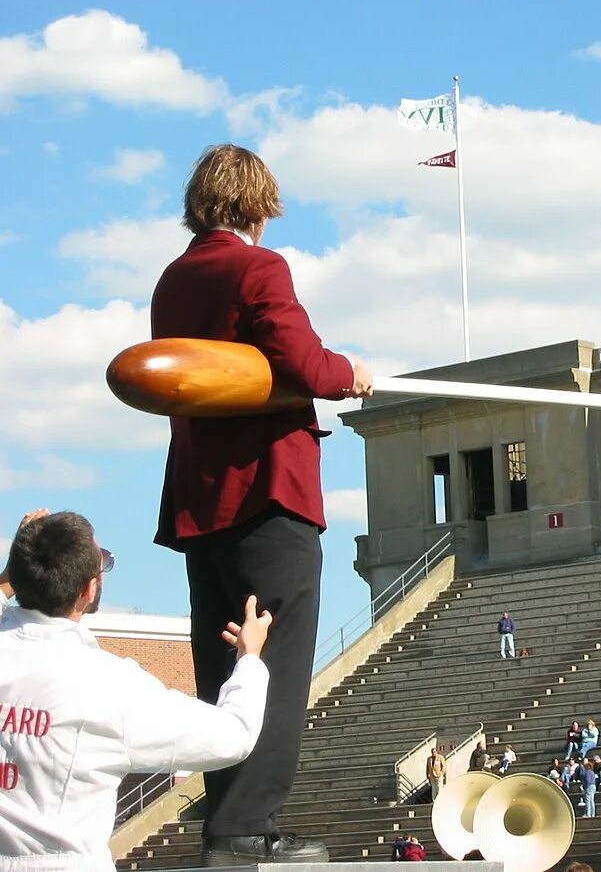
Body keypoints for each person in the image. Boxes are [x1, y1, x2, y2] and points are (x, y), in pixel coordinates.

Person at [151, 144, 373, 865]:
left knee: (226, 668)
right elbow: (305, 363)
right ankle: (249, 831)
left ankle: (228, 824)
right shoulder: (257, 267)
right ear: (256, 205)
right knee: (273, 666)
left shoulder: (173, 279)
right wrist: (351, 374)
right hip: (268, 494)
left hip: (200, 501)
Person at [0, 510, 271, 869]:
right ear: (88, 589)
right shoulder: (109, 685)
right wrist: (249, 658)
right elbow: (234, 736)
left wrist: (14, 570)